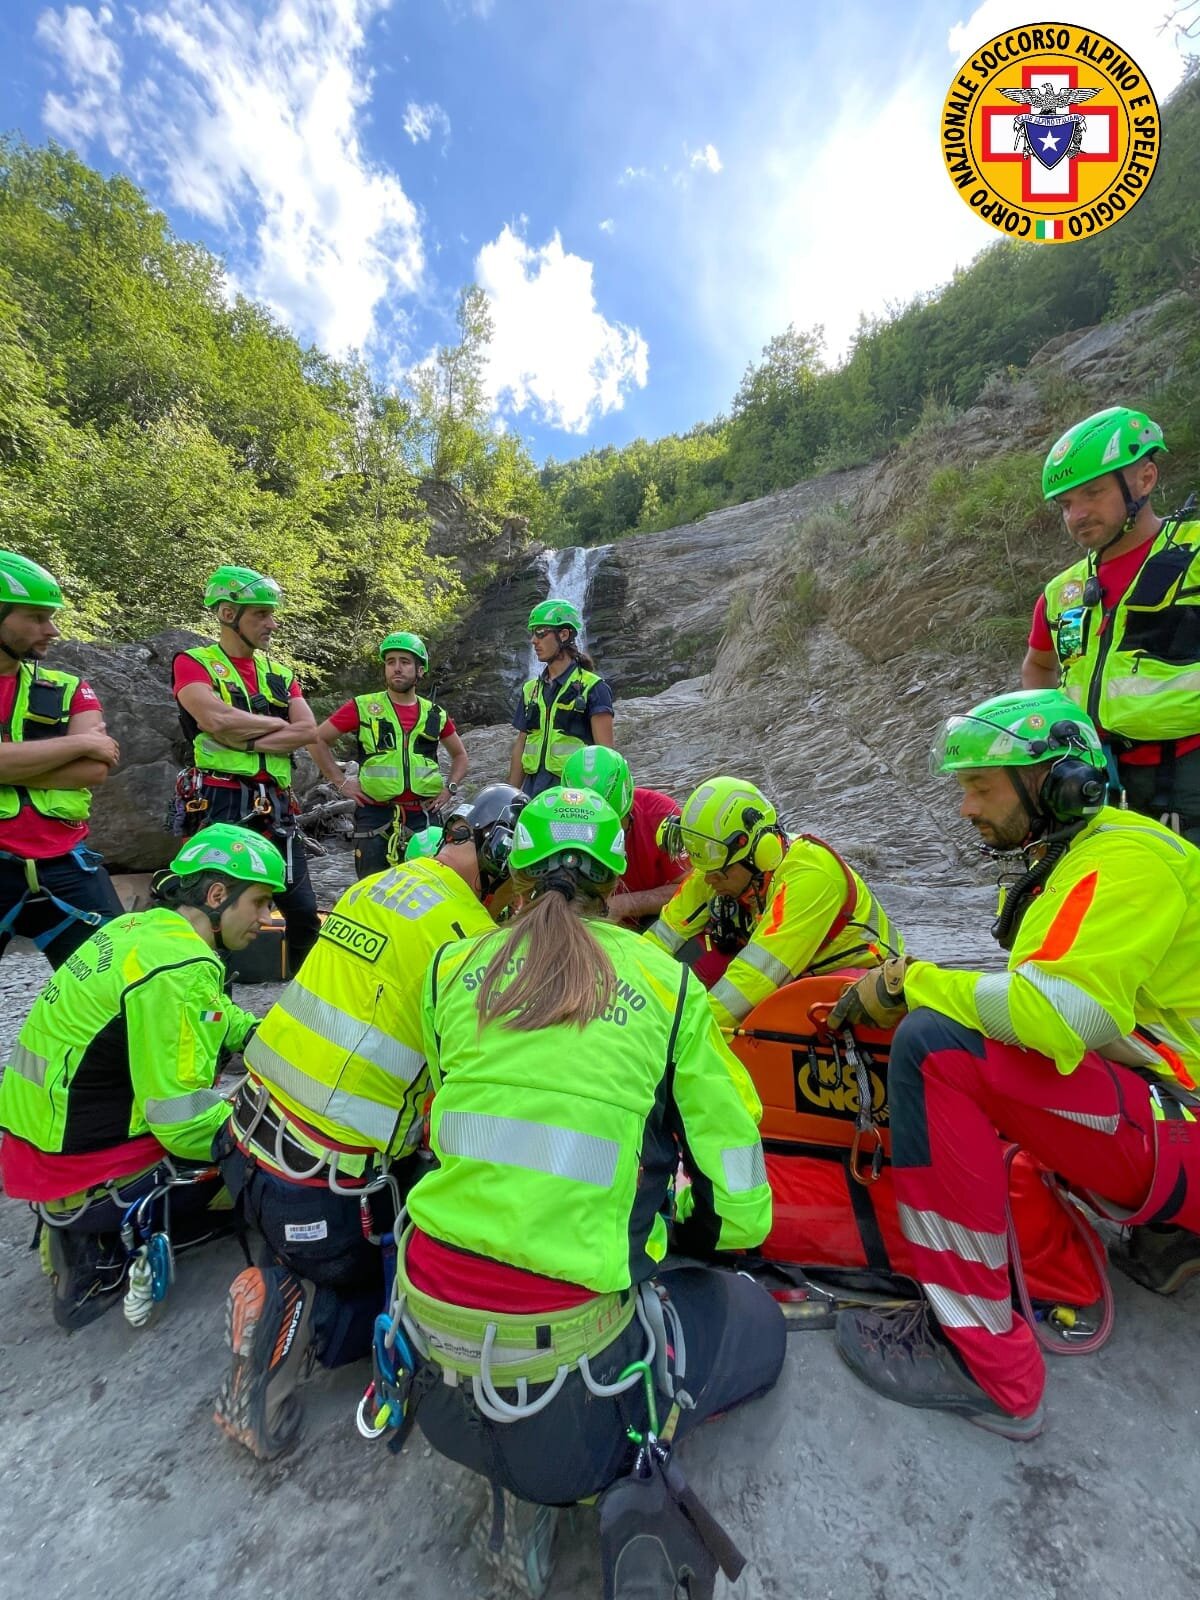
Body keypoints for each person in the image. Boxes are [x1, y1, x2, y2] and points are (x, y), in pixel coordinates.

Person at [395, 786, 784, 1599]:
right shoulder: (667, 988)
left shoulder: (449, 969)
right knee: (750, 1326)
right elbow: (739, 1196)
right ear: (617, 877)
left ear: (517, 871)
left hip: (429, 1352)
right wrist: (698, 1240)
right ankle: (615, 1479)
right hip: (567, 1398)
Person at [830, 689, 1200, 1439]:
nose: (965, 808)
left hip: (1182, 1125)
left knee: (936, 1046)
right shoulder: (1089, 852)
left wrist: (909, 982)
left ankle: (981, 1360)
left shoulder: (1126, 864)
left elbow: (1065, 1016)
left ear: (1060, 785)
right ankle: (1173, 1237)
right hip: (1175, 1118)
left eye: (980, 788)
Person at [211, 783, 526, 1461]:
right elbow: (466, 1098)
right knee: (448, 1207)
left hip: (241, 1144)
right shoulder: (471, 943)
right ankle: (306, 1315)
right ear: (502, 860)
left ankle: (274, 1270)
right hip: (327, 1197)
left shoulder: (374, 886)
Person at [0, 824, 283, 1330]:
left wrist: (262, 1036)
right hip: (79, 1160)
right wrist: (259, 1126)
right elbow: (179, 1117)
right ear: (218, 895)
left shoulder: (141, 929)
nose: (267, 919)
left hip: (38, 1134)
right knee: (262, 1167)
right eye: (260, 902)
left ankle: (81, 1217)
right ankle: (101, 1238)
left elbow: (210, 1012)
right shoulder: (183, 967)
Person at [1022, 406, 1200, 843]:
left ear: (1145, 479)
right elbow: (1039, 666)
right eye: (1065, 505)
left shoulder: (1194, 557)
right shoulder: (1062, 590)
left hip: (1190, 776)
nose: (1076, 515)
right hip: (1097, 784)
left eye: (1093, 494)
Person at [644, 775, 902, 1034]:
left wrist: (679, 1033)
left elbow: (753, 978)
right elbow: (660, 939)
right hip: (786, 969)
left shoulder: (812, 878)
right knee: (693, 956)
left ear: (761, 853)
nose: (710, 881)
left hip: (860, 979)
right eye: (705, 871)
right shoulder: (720, 861)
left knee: (758, 1013)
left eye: (720, 873)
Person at [172, 565, 322, 970]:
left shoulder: (280, 674)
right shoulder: (193, 663)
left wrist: (247, 737)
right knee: (214, 909)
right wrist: (277, 726)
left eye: (271, 614)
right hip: (219, 799)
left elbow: (307, 729)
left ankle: (302, 994)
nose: (271, 623)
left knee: (303, 909)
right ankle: (214, 995)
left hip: (275, 801)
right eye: (260, 614)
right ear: (227, 613)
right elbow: (215, 720)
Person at [0, 550, 123, 967]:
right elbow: (87, 753)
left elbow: (96, 768)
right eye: (36, 617)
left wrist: (12, 764)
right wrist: (75, 745)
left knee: (114, 987)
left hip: (67, 863)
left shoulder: (67, 685)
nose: (51, 629)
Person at [311, 631, 469, 879]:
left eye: (405, 662)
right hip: (375, 814)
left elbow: (460, 756)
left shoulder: (435, 714)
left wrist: (450, 788)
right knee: (373, 890)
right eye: (390, 662)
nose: (396, 668)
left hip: (424, 815)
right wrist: (340, 782)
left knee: (429, 888)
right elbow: (317, 739)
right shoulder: (363, 707)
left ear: (419, 670)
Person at [561, 745, 688, 927]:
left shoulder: (661, 815)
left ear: (627, 808)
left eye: (611, 827)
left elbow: (692, 889)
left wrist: (625, 904)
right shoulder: (558, 823)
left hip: (654, 919)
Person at [507, 599, 614, 798]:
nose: (533, 640)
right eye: (532, 633)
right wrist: (509, 796)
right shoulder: (530, 690)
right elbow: (521, 744)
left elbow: (606, 755)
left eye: (540, 632)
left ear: (563, 634)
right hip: (532, 794)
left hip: (573, 796)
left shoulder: (593, 688)